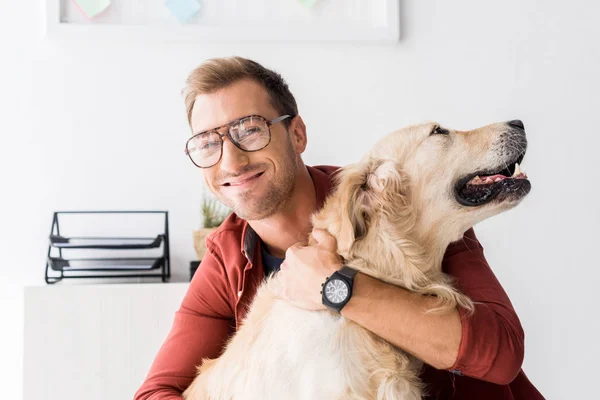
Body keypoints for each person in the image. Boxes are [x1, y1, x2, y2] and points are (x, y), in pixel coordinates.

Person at [134, 56, 544, 400]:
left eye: (250, 129)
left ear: (297, 134)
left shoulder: (404, 208)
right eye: (208, 142)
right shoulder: (227, 256)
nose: (231, 161)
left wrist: (336, 288)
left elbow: (502, 352)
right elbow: (155, 393)